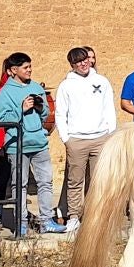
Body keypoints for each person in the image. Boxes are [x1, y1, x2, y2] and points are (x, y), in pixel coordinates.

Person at [54, 45, 116, 232]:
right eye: (78, 62)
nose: (83, 64)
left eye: (85, 59)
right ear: (72, 65)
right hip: (77, 140)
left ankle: (93, 215)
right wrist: (67, 138)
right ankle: (73, 216)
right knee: (75, 180)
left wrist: (109, 133)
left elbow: (109, 108)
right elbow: (60, 113)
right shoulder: (66, 85)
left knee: (98, 180)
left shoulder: (102, 81)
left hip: (100, 138)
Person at [0, 52, 57, 233]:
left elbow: (45, 114)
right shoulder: (5, 92)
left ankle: (46, 221)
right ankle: (20, 223)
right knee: (19, 185)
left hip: (39, 142)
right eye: (25, 67)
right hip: (17, 144)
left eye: (30, 66)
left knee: (46, 182)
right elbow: (2, 119)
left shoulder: (37, 87)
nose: (29, 70)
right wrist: (21, 109)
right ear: (14, 70)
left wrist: (40, 107)